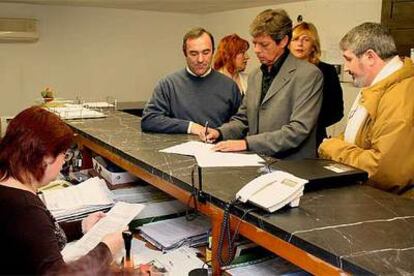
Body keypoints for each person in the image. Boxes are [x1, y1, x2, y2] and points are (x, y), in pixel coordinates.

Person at [0, 106, 123, 275]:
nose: (64, 162)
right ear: (47, 157)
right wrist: (106, 249)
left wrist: (81, 226)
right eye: (64, 154)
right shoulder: (26, 210)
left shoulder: (9, 187)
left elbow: (36, 240)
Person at [200, 9, 323, 160]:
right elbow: (243, 119)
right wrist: (219, 132)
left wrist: (246, 143)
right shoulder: (255, 75)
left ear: (283, 41)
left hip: (291, 167)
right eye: (255, 44)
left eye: (264, 44)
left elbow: (298, 130)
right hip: (257, 162)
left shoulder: (308, 75)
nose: (257, 50)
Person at [318, 22, 414, 198]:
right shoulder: (378, 87)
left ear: (370, 57)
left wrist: (333, 149)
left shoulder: (399, 97)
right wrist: (335, 143)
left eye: (348, 59)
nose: (345, 68)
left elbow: (384, 171)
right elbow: (357, 135)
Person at [141, 27, 241, 134]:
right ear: (185, 53)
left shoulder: (229, 86)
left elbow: (241, 123)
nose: (200, 59)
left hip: (218, 147)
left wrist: (219, 133)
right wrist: (190, 127)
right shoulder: (168, 84)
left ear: (213, 51)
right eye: (194, 54)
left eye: (206, 52)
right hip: (178, 148)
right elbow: (149, 120)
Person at [290, 22, 344, 148]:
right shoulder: (280, 71)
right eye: (295, 39)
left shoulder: (327, 71)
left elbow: (336, 111)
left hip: (314, 139)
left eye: (306, 39)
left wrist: (308, 125)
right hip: (281, 138)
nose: (300, 44)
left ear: (313, 46)